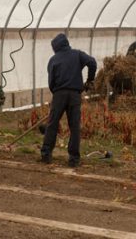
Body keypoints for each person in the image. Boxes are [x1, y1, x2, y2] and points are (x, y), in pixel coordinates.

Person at [40, 33, 96, 167]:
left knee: (52, 124)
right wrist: (90, 80)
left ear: (55, 47)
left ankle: (46, 154)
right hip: (75, 95)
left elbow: (51, 81)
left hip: (59, 94)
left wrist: (57, 93)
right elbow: (92, 62)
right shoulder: (77, 54)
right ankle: (74, 159)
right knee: (74, 126)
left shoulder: (53, 59)